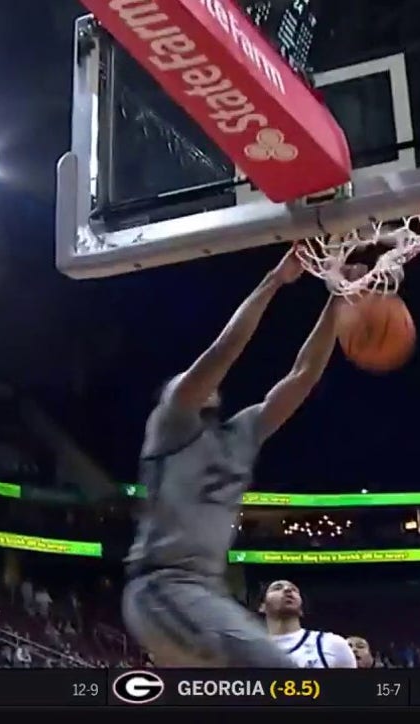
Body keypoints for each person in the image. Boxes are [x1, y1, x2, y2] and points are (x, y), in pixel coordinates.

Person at [121, 249, 349, 667]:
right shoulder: (171, 422)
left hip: (209, 591)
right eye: (185, 378)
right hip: (162, 587)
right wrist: (273, 281)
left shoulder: (242, 433)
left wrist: (338, 296)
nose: (193, 379)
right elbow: (223, 351)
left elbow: (303, 375)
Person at [261, 580, 355, 668]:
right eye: (277, 588)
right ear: (262, 606)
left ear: (301, 609)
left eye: (294, 590)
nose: (287, 589)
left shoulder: (333, 643)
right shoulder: (250, 650)